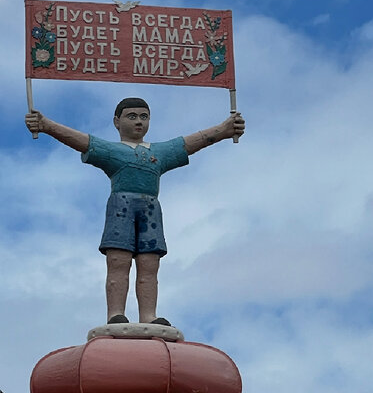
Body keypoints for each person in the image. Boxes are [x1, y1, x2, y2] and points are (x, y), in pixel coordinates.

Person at [25, 98, 244, 327]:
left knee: (149, 264)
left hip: (150, 210)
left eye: (144, 116)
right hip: (121, 208)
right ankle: (115, 313)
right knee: (118, 260)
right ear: (116, 122)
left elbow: (189, 143)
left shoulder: (160, 152)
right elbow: (83, 141)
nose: (139, 121)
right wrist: (46, 125)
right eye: (132, 116)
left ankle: (149, 315)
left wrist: (224, 129)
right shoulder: (113, 151)